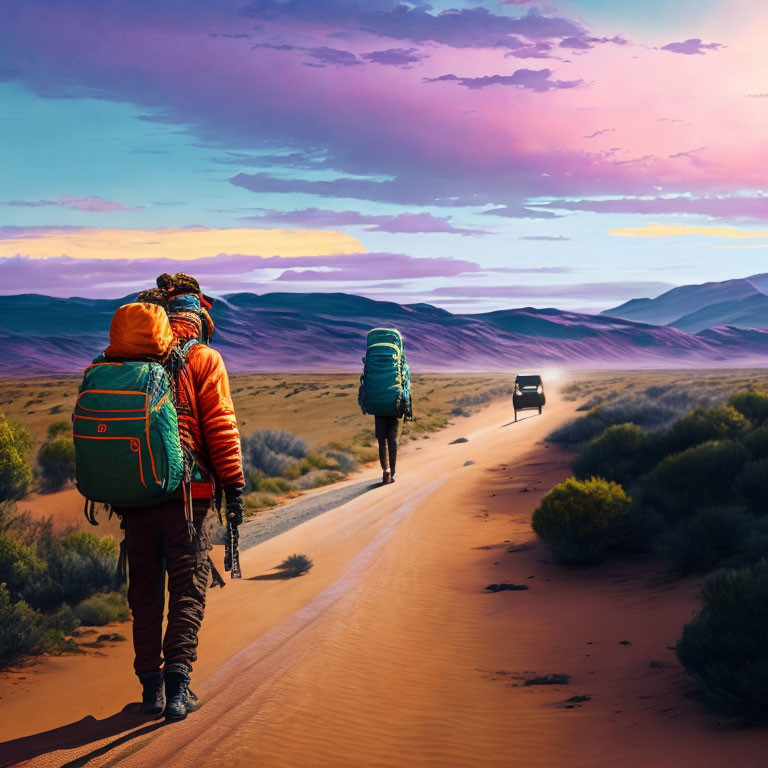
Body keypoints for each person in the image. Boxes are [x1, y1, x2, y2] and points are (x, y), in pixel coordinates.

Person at [117, 274, 244, 721]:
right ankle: (177, 690)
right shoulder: (204, 359)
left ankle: (150, 689)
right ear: (200, 319)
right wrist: (235, 489)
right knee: (188, 588)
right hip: (188, 495)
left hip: (133, 494)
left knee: (145, 590)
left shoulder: (121, 361)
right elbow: (221, 427)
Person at [358, 327, 412, 485]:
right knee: (393, 439)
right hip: (394, 403)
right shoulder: (402, 367)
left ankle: (385, 472)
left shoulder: (372, 365)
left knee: (382, 439)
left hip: (378, 402)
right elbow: (406, 385)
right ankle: (393, 473)